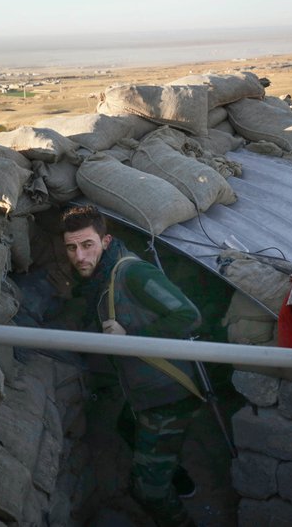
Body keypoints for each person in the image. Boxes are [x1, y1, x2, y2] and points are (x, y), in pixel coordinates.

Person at [60, 205, 203, 527]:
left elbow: (189, 315)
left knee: (148, 492)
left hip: (168, 392)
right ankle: (178, 480)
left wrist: (131, 335)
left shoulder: (132, 273)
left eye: (87, 245)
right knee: (127, 426)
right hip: (145, 392)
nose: (79, 256)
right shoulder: (102, 279)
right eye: (71, 248)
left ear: (106, 241)